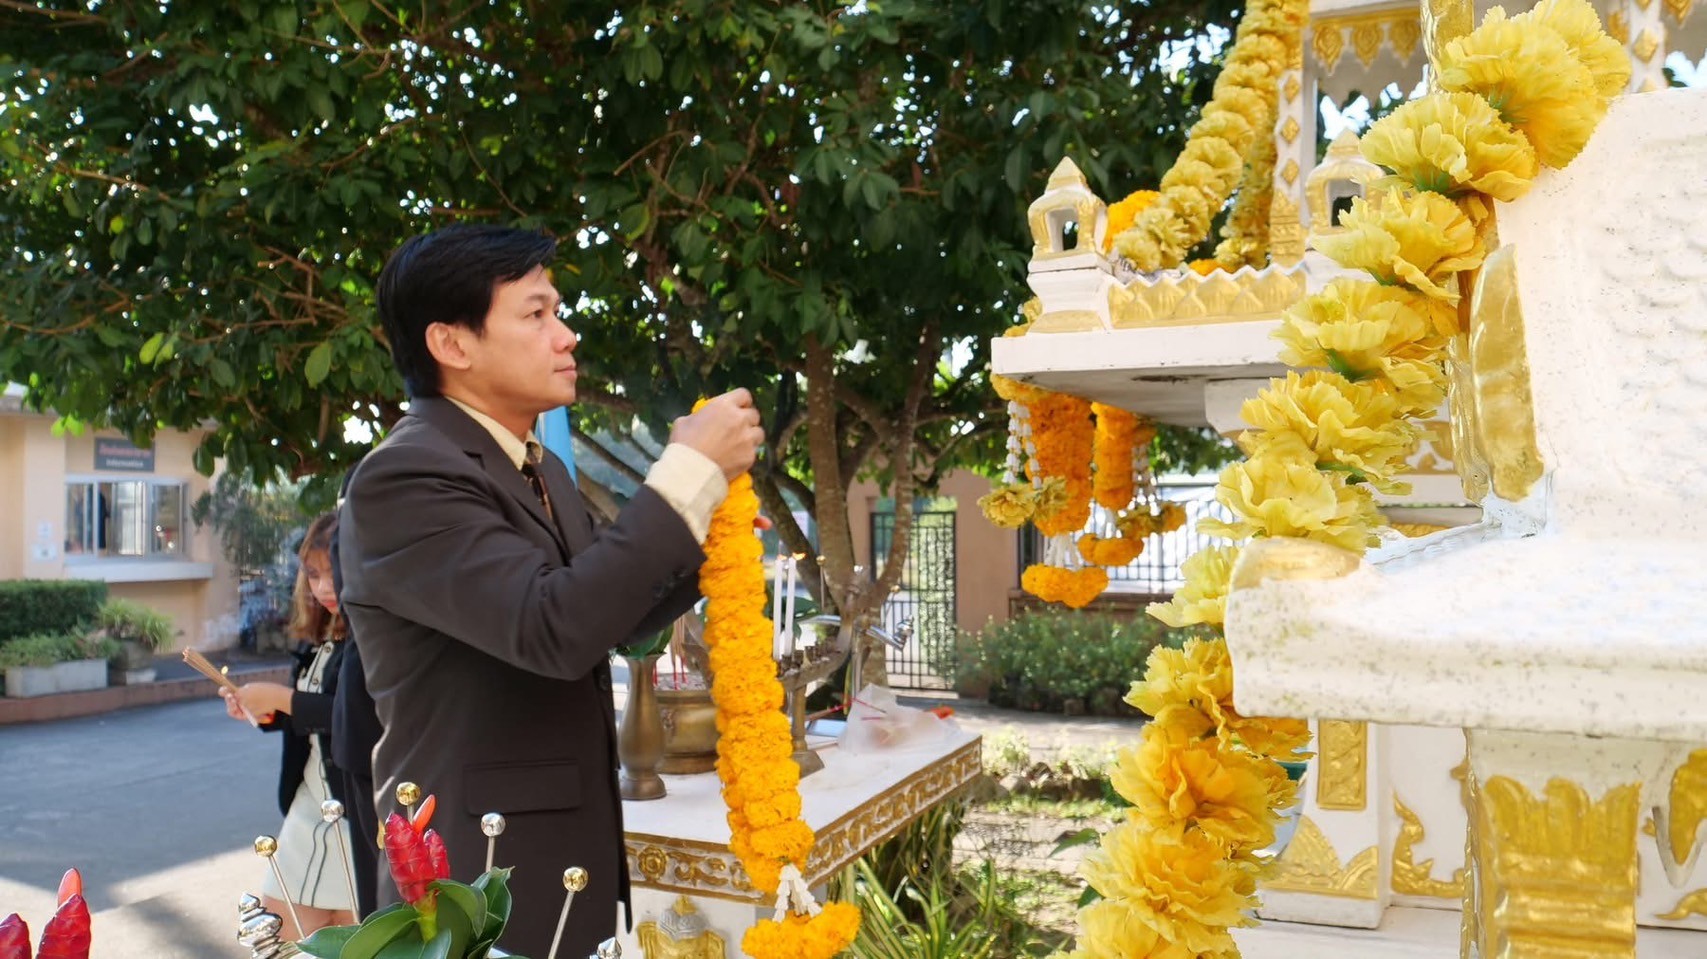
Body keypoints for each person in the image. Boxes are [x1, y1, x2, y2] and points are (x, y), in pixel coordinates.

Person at [338, 224, 763, 957]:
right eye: (535, 314)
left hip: (560, 852)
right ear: (452, 344)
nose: (566, 336)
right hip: (481, 874)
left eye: (557, 312)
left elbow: (610, 617)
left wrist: (707, 532)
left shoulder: (541, 469)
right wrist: (686, 472)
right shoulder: (404, 476)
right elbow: (553, 627)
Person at [221, 514, 364, 938]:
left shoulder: (376, 638)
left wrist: (280, 698)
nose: (324, 587)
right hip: (308, 807)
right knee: (277, 938)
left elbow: (359, 717)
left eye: (333, 573)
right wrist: (265, 711)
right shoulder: (318, 637)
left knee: (357, 940)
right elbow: (313, 713)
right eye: (313, 575)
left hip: (357, 812)